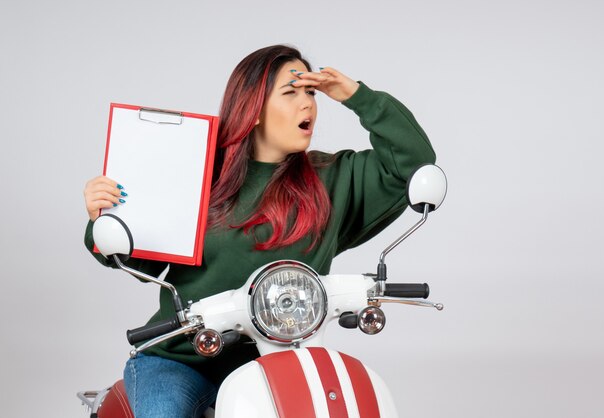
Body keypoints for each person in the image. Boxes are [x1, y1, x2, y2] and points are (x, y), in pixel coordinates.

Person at [83, 44, 436, 418]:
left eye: (311, 93)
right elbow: (127, 252)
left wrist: (357, 96)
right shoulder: (197, 175)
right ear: (252, 110)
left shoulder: (331, 180)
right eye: (290, 92)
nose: (308, 105)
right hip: (182, 360)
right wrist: (103, 216)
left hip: (280, 361)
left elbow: (414, 163)